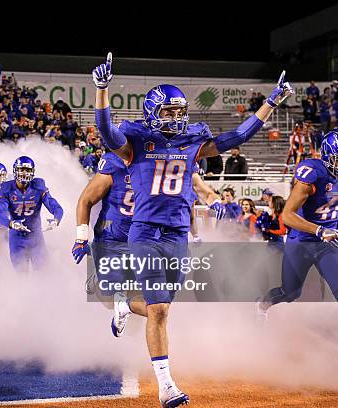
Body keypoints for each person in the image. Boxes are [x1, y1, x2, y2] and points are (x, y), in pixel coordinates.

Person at [92, 52, 293, 407]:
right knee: (159, 311)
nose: (175, 117)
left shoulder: (194, 139)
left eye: (179, 111)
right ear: (152, 113)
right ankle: (166, 385)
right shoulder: (136, 139)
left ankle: (124, 304)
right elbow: (108, 134)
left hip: (177, 236)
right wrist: (102, 90)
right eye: (168, 112)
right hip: (146, 232)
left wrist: (271, 102)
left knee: (164, 307)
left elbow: (237, 137)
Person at [256, 131, 338, 318]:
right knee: (291, 292)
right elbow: (287, 215)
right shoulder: (313, 174)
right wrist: (319, 229)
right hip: (302, 240)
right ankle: (261, 305)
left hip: (329, 242)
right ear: (327, 156)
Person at [72, 151, 134, 296]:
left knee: (139, 294)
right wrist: (81, 238)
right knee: (110, 294)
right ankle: (98, 277)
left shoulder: (154, 163)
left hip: (142, 236)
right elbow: (85, 201)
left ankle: (122, 316)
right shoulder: (114, 162)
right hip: (112, 236)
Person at [0, 156, 63, 273]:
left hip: (36, 237)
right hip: (17, 238)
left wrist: (56, 219)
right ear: (15, 170)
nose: (24, 173)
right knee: (21, 274)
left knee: (44, 273)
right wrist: (11, 223)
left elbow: (55, 206)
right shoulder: (6, 188)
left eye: (28, 170)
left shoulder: (38, 185)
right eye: (22, 169)